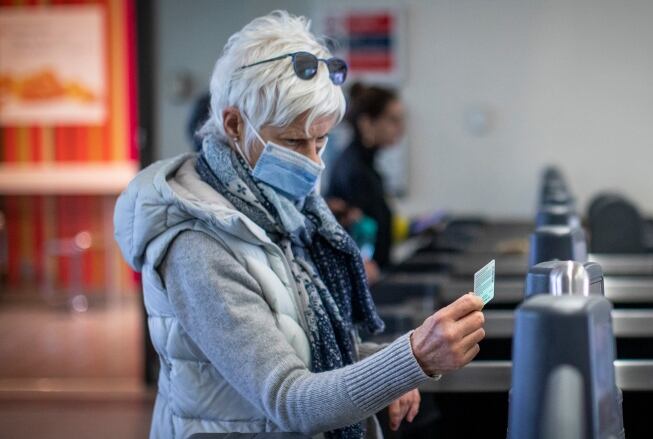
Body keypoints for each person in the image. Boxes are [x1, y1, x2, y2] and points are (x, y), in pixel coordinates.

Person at [113, 11, 485, 439]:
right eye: (293, 142)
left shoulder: (285, 213)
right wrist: (412, 359)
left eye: (321, 141)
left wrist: (385, 364)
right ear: (234, 124)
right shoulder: (198, 246)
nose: (312, 161)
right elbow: (290, 399)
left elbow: (307, 342)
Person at [326, 83, 405, 269]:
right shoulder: (354, 170)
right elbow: (355, 233)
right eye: (393, 120)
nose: (400, 129)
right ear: (366, 123)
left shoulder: (365, 164)